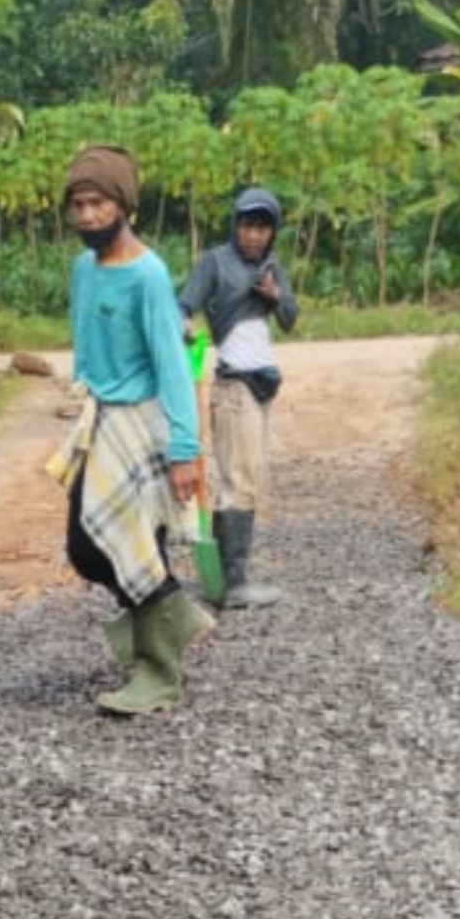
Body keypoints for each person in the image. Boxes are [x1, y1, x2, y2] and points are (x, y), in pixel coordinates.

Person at [44, 146, 209, 714]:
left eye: (99, 203)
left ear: (125, 207)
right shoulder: (84, 270)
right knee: (86, 549)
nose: (88, 216)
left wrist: (186, 450)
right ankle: (169, 618)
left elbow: (172, 365)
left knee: (136, 544)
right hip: (100, 418)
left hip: (140, 423)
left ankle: (159, 671)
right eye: (79, 205)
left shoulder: (148, 274)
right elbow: (84, 340)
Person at [176, 184, 298, 609]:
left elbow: (291, 319)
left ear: (272, 232)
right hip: (234, 385)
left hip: (264, 383)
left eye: (263, 227)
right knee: (237, 481)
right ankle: (233, 583)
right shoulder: (215, 262)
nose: (253, 235)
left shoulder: (271, 267)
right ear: (235, 225)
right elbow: (183, 303)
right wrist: (185, 326)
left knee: (251, 479)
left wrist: (275, 296)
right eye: (247, 225)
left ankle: (234, 577)